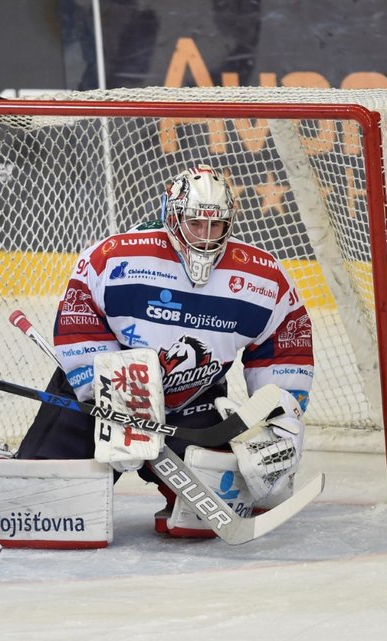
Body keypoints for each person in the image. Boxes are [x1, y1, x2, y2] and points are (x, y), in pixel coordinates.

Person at [16, 164, 314, 535]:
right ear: (172, 218)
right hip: (103, 397)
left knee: (204, 520)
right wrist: (105, 392)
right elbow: (80, 311)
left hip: (194, 397)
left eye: (216, 225)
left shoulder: (261, 276)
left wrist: (278, 422)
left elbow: (285, 345)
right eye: (195, 224)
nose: (206, 236)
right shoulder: (117, 257)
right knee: (44, 511)